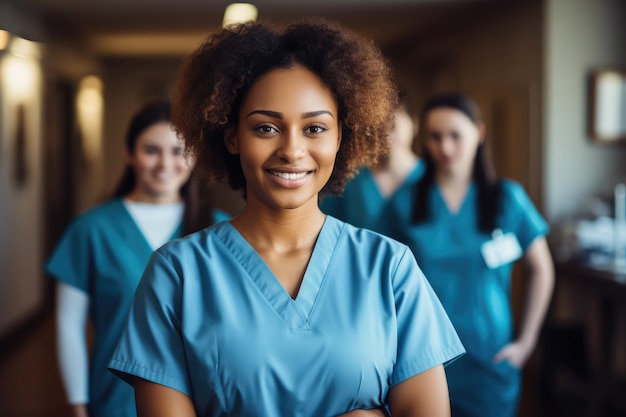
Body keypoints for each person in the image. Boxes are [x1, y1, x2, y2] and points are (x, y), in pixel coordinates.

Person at [108, 19, 465, 416]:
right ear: (231, 137)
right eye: (266, 127)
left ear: (341, 137)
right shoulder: (176, 274)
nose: (292, 150)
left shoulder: (390, 269)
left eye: (314, 128)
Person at [45, 99, 230, 417]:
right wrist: (78, 404)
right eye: (151, 150)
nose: (165, 163)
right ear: (129, 154)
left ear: (194, 155)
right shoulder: (92, 228)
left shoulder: (219, 228)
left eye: (177, 150)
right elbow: (69, 323)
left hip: (204, 399)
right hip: (115, 401)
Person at [375, 92, 554, 417]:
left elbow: (541, 268)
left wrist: (527, 342)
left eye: (455, 135)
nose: (444, 147)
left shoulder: (507, 198)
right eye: (435, 136)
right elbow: (379, 279)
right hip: (422, 357)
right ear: (423, 139)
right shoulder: (404, 203)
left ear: (479, 133)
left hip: (490, 357)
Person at [320, 90, 422, 229]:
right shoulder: (349, 178)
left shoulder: (433, 176)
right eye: (382, 122)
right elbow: (326, 227)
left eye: (396, 120)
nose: (388, 129)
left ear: (414, 124)